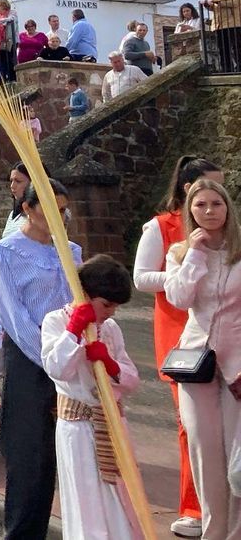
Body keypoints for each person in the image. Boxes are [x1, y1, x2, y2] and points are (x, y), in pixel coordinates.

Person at [0, 178, 81, 540]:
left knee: (66, 452)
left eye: (64, 207)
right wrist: (51, 357)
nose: (61, 215)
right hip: (31, 358)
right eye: (51, 208)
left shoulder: (71, 251)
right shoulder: (7, 254)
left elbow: (77, 304)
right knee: (30, 454)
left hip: (69, 359)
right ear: (27, 208)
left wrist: (72, 356)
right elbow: (13, 316)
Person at [133, 156, 221, 539]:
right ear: (189, 190)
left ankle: (223, 504)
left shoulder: (227, 230)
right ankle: (194, 506)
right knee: (192, 426)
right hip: (180, 335)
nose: (216, 199)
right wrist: (183, 271)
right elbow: (140, 277)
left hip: (225, 335)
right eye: (209, 188)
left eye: (220, 191)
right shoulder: (161, 227)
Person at [40, 255, 141, 540]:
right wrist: (73, 332)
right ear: (85, 294)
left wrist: (111, 365)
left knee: (120, 494)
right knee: (86, 498)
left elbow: (132, 380)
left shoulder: (110, 329)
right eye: (106, 305)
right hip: (77, 428)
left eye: (116, 307)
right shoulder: (55, 321)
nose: (112, 312)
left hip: (111, 423)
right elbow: (56, 369)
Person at [163, 177, 241, 540]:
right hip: (196, 365)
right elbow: (178, 299)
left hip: (238, 367)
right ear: (189, 211)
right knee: (205, 456)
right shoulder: (179, 253)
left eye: (216, 204)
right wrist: (194, 254)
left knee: (235, 461)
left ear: (228, 208)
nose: (209, 211)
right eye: (201, 205)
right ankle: (213, 533)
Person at [0, 0, 18, 82]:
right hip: (0, 42)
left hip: (11, 41)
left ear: (3, 6)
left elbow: (10, 19)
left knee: (10, 60)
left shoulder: (12, 12)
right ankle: (1, 79)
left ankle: (12, 78)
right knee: (1, 61)